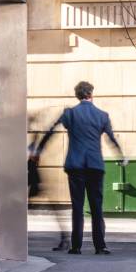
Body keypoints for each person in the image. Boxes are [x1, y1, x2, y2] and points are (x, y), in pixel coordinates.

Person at [36, 81, 127, 255]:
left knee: (77, 206)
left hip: (75, 165)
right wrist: (121, 156)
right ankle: (100, 246)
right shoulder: (102, 115)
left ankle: (76, 246)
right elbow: (111, 138)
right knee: (96, 206)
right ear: (91, 94)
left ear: (77, 95)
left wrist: (38, 149)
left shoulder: (70, 113)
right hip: (95, 165)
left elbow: (51, 131)